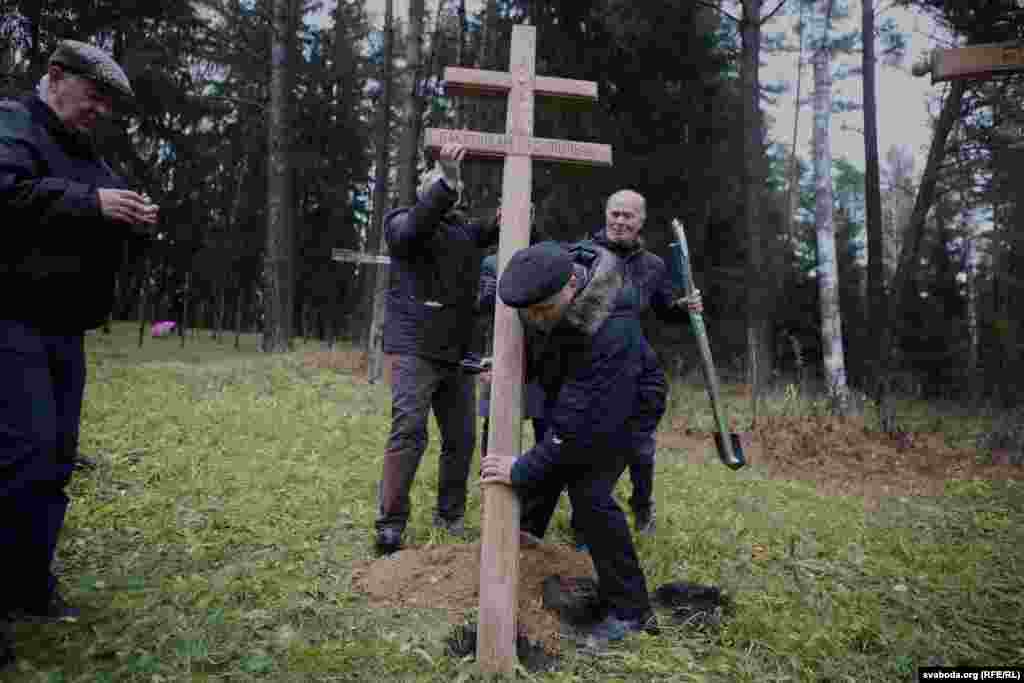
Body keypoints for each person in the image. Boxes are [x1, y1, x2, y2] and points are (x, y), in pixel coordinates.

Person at [0, 40, 158, 669]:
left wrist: (136, 220)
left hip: (65, 328)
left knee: (57, 459)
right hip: (11, 318)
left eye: (109, 104)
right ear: (55, 78)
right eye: (96, 96)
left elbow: (104, 213)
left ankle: (28, 587)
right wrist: (90, 204)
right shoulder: (13, 125)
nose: (102, 112)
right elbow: (9, 195)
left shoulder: (85, 152)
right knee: (21, 456)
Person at [480, 240, 665, 642]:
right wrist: (511, 367)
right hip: (576, 390)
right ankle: (525, 558)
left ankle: (632, 614)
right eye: (528, 314)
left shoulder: (610, 325)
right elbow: (547, 343)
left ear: (571, 286)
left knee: (591, 496)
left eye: (542, 311)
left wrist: (520, 469)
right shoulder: (552, 279)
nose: (536, 320)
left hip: (629, 402)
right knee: (552, 465)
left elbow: (576, 428)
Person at [375, 142, 499, 555]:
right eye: (438, 186)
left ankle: (449, 516)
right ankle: (391, 522)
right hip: (415, 348)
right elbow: (417, 225)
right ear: (426, 191)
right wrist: (447, 179)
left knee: (461, 439)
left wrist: (513, 212)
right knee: (409, 431)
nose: (447, 192)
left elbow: (499, 229)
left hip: (459, 352)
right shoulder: (402, 223)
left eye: (451, 188)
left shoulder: (466, 231)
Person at [573, 189, 700, 537]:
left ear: (640, 221)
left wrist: (684, 309)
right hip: (590, 365)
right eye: (614, 213)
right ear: (605, 214)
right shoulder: (582, 255)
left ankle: (641, 506)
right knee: (593, 447)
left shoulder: (653, 265)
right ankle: (586, 521)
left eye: (628, 215)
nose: (619, 221)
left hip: (635, 363)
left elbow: (662, 309)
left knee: (640, 447)